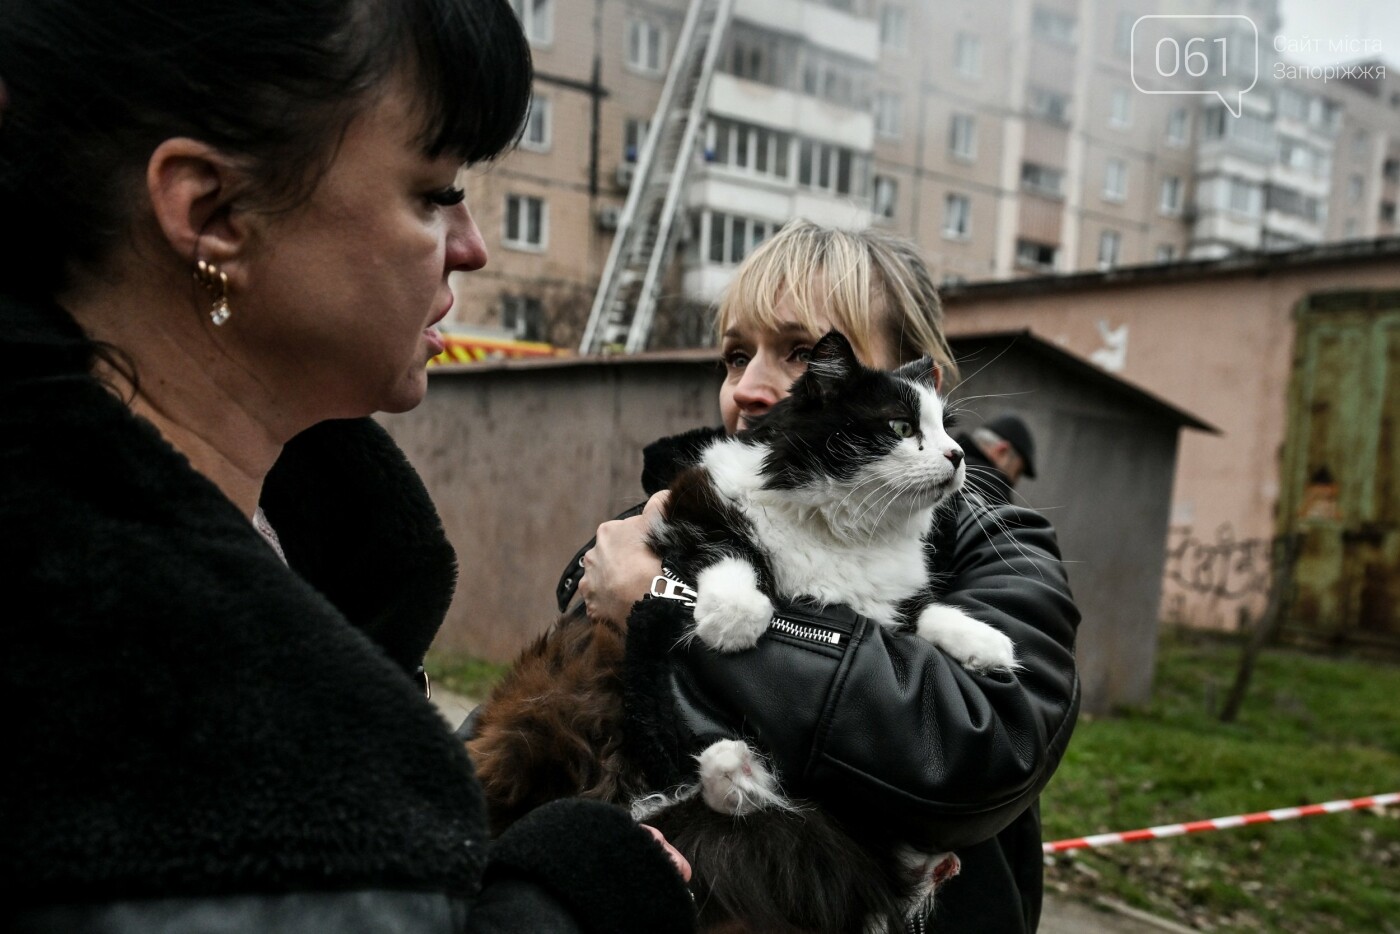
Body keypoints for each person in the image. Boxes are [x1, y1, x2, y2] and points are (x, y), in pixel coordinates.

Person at [0, 1, 695, 931]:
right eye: (433, 191)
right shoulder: (126, 690)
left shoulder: (312, 550)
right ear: (214, 212)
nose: (473, 247)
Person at [562, 221, 1080, 933]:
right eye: (735, 355)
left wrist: (664, 607)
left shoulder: (994, 544)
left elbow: (979, 746)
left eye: (802, 354)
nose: (747, 388)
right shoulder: (663, 521)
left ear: (916, 384)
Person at [959, 413, 1039, 508]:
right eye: (1017, 472)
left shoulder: (949, 461)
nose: (1015, 482)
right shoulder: (993, 488)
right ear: (1002, 451)